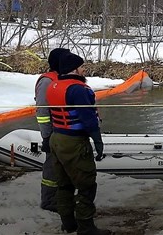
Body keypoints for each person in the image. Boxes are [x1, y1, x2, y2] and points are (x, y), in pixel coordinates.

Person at [47, 53, 110, 235]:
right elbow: (89, 119)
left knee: (64, 184)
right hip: (74, 142)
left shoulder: (53, 85)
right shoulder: (78, 89)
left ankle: (68, 223)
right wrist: (97, 141)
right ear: (73, 69)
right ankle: (86, 227)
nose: (84, 69)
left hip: (56, 138)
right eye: (82, 67)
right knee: (87, 186)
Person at [34, 47, 70, 212]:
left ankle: (62, 198)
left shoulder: (62, 78)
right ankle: (48, 201)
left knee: (64, 168)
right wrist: (46, 136)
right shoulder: (47, 81)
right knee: (52, 168)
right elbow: (42, 111)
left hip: (65, 131)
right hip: (53, 133)